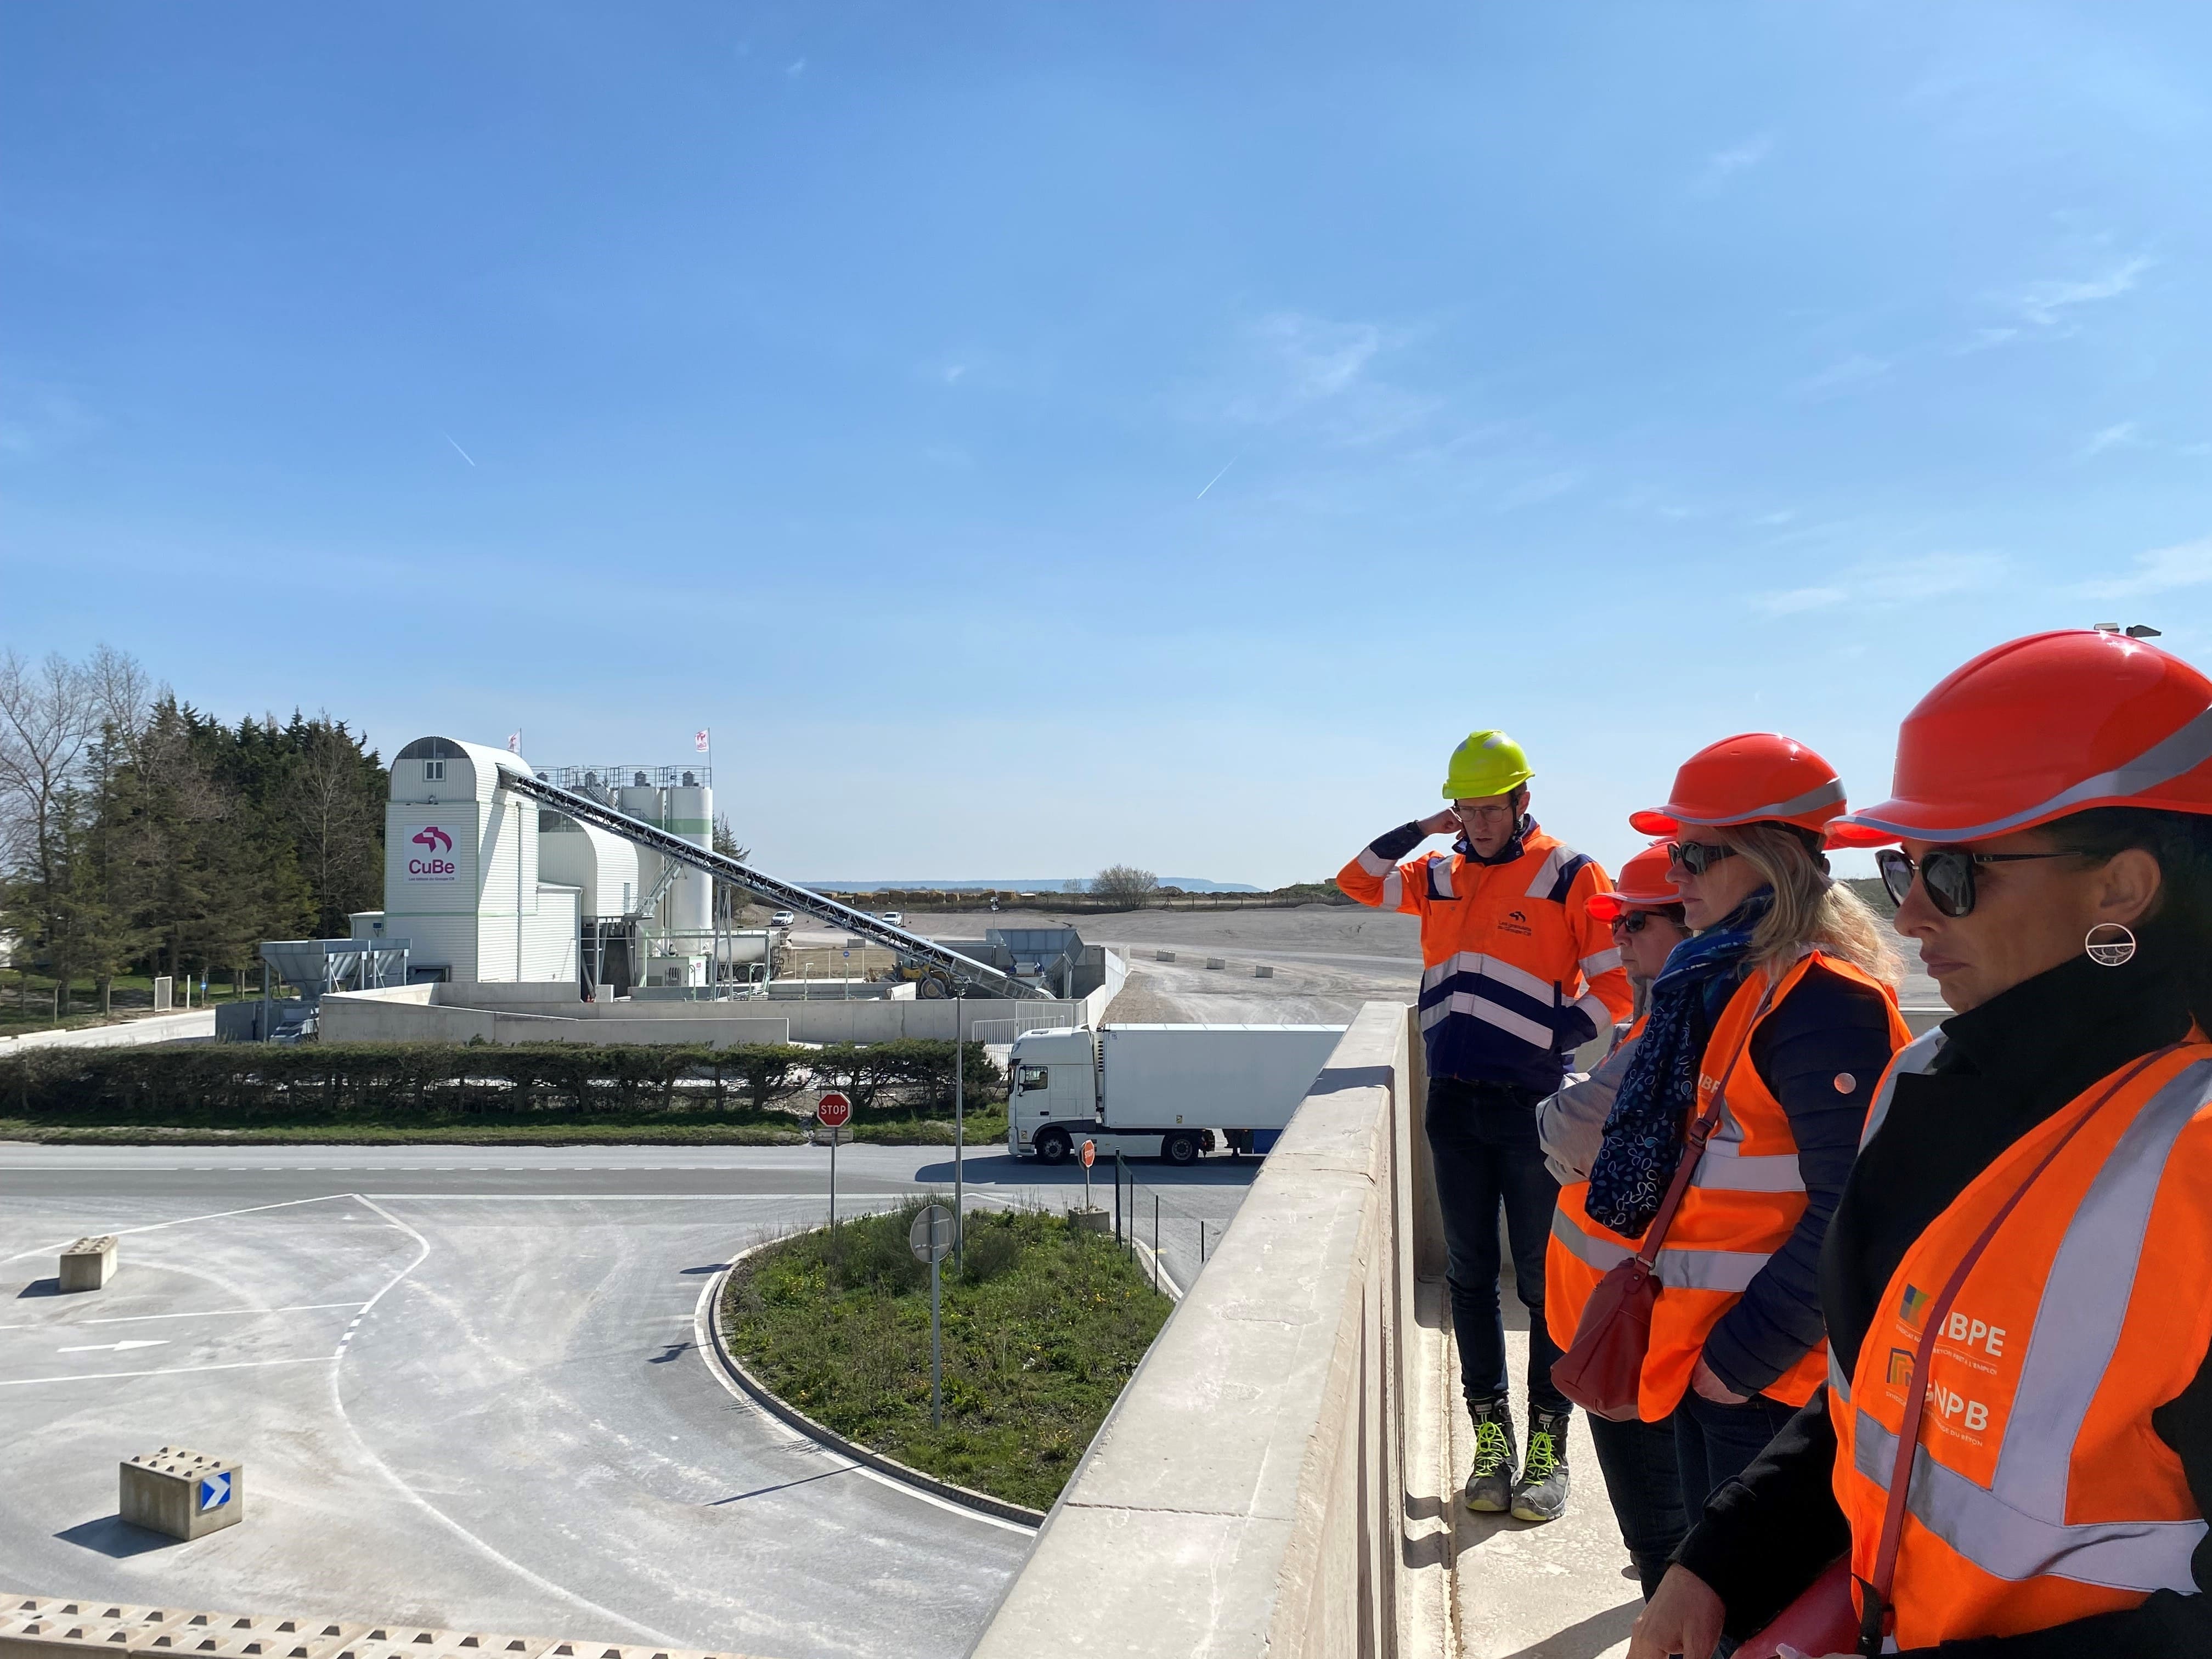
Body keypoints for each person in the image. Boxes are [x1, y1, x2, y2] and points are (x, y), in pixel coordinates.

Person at [1631, 629, 2212, 1659]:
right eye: (1902, 867)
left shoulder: (2195, 1159)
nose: (1907, 915)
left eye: (1950, 871)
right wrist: (1722, 1558)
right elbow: (1878, 1396)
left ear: (2121, 889)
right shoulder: (1927, 1083)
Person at [1572, 735, 1909, 1530]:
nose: (1675, 875)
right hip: (1707, 1359)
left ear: (1772, 861)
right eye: (1675, 853)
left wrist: (1739, 1361)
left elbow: (1861, 1212)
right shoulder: (1732, 986)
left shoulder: (1826, 1007)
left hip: (1765, 1381)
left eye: (1695, 854)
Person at [1339, 730, 1631, 1522]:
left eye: (1492, 808)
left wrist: (1549, 1040)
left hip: (1532, 1108)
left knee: (1541, 1282)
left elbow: (1615, 989)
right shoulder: (1439, 872)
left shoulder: (1569, 872)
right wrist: (1421, 830)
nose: (1480, 822)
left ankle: (1548, 1445)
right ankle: (1492, 1443)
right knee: (1470, 1277)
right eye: (1466, 809)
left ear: (1522, 800)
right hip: (1453, 1103)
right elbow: (1356, 881)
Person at [1540, 838, 1695, 1595]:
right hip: (1614, 1322)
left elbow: (1570, 1133)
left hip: (1640, 1337)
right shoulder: (1651, 1020)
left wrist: (1557, 1112)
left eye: (1637, 922)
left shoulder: (1676, 1025)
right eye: (1616, 921)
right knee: (1671, 1533)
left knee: (1665, 1540)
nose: (1619, 937)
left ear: (1693, 923)